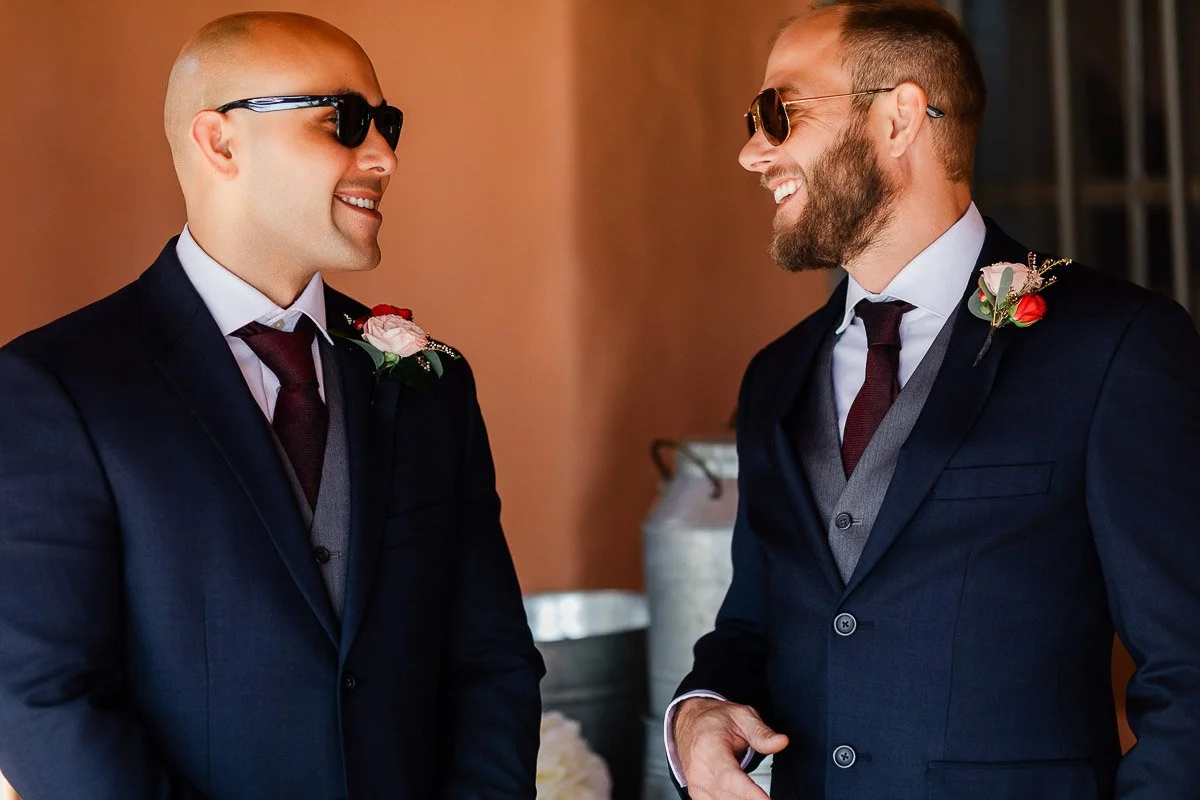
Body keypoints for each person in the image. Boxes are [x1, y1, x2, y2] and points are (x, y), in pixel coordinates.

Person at [0, 12, 543, 799]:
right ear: (221, 142)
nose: (384, 157)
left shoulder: (431, 382)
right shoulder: (58, 387)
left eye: (387, 125)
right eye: (343, 121)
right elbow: (45, 701)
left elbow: (490, 660)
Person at [665, 1, 1200, 798]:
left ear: (899, 118)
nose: (752, 152)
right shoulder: (775, 376)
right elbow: (753, 623)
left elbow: (1189, 664)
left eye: (779, 112)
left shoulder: (1112, 344)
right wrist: (699, 713)